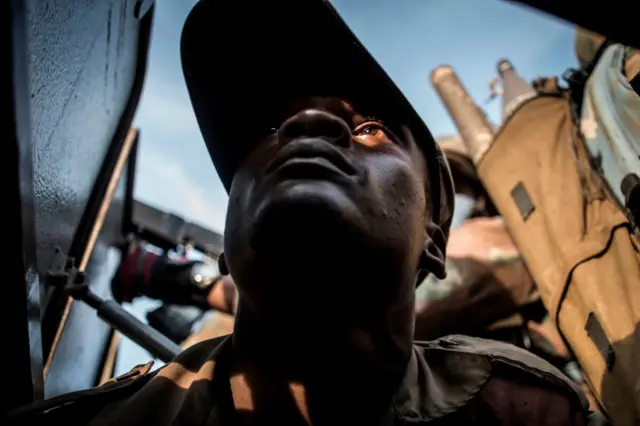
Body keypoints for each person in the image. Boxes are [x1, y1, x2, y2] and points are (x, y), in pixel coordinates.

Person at [6, 1, 604, 425]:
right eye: (266, 131)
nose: (307, 124)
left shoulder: (524, 406)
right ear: (225, 241)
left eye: (369, 128)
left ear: (433, 241)